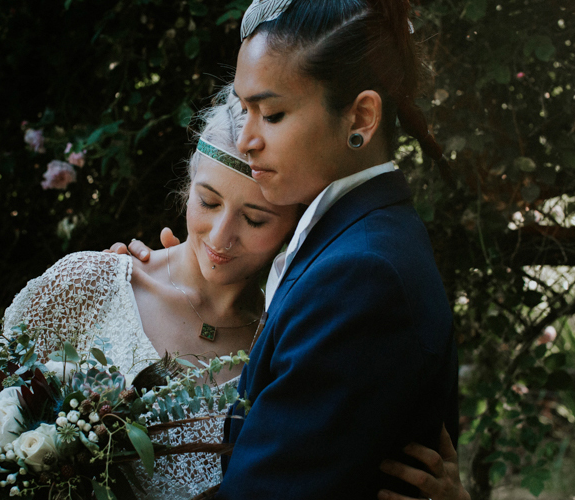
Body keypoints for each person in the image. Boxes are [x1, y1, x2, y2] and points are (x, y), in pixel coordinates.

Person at [6, 90, 467, 500]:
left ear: (296, 226)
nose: (221, 238)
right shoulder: (92, 285)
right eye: (207, 202)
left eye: (256, 219)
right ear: (187, 185)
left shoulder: (294, 340)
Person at [226, 0, 460, 497]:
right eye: (241, 110)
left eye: (271, 113)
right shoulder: (339, 239)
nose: (245, 139)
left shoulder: (361, 276)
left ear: (361, 115)